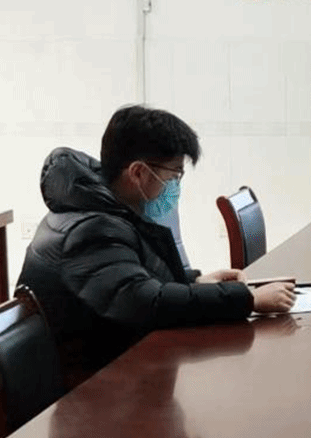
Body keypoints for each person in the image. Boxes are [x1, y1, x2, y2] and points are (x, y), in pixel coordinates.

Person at [18, 106, 296, 388]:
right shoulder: (92, 230)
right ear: (138, 172)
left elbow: (130, 279)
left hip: (114, 365)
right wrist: (248, 299)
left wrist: (193, 281)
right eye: (173, 175)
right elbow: (146, 302)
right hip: (87, 391)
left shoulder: (106, 207)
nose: (175, 186)